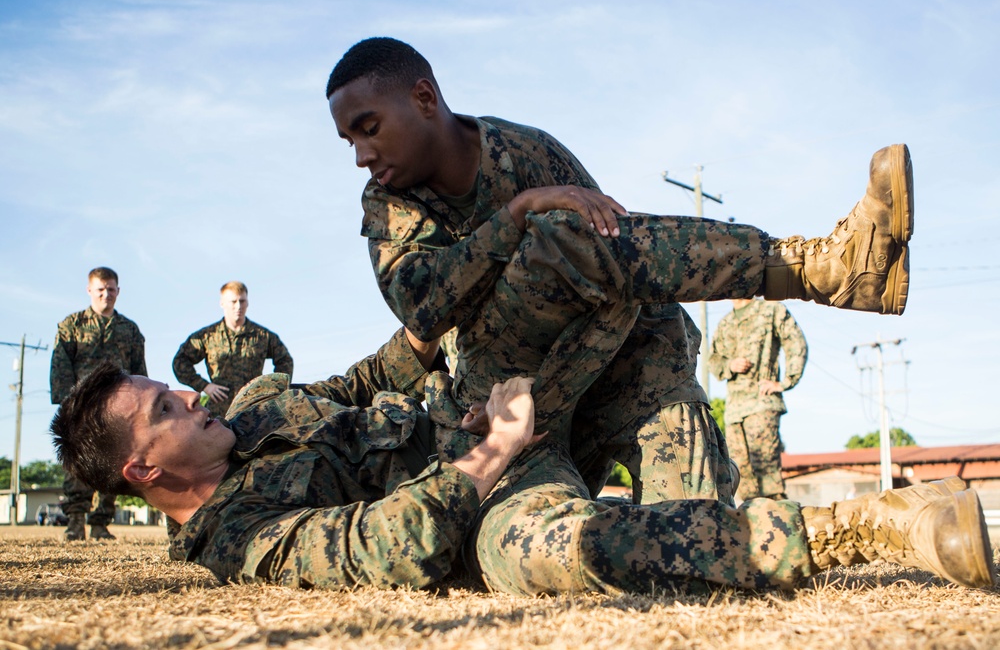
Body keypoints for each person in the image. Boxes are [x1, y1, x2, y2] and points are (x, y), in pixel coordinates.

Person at [325, 37, 913, 509]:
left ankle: (840, 278)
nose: (361, 156)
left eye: (368, 128)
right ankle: (810, 268)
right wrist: (516, 214)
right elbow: (422, 307)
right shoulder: (388, 204)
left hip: (596, 365)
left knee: (697, 522)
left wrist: (666, 374)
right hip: (502, 406)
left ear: (424, 98)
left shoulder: (526, 152)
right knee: (558, 234)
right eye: (348, 139)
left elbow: (622, 257)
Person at [49, 328, 994, 593]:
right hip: (498, 488)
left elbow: (365, 376)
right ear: (142, 469)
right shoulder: (241, 538)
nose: (186, 395)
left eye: (165, 385)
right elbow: (388, 547)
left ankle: (812, 263)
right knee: (564, 551)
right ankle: (876, 524)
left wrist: (438, 341)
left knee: (598, 283)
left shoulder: (252, 404)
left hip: (492, 405)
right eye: (160, 409)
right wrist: (496, 449)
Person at [50, 266, 146, 540]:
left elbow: (139, 370)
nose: (106, 294)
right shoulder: (72, 325)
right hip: (82, 405)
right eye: (101, 289)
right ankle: (75, 522)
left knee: (115, 463)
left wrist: (142, 403)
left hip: (118, 408)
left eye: (111, 289)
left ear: (118, 291)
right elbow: (60, 364)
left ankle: (101, 524)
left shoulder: (129, 329)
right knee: (77, 463)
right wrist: (67, 401)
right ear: (90, 290)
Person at [708, 298, 808, 501]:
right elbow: (714, 360)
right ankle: (751, 530)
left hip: (762, 404)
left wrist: (785, 382)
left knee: (768, 479)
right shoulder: (725, 322)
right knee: (742, 483)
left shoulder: (771, 310)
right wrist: (729, 365)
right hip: (735, 411)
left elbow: (796, 343)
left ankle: (779, 527)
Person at [172, 281, 294, 416]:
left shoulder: (262, 336)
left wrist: (273, 390)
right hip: (219, 412)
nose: (238, 306)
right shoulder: (207, 336)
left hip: (254, 411)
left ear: (247, 303)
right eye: (233, 301)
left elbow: (285, 360)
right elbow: (180, 362)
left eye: (242, 301)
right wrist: (204, 386)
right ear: (222, 303)